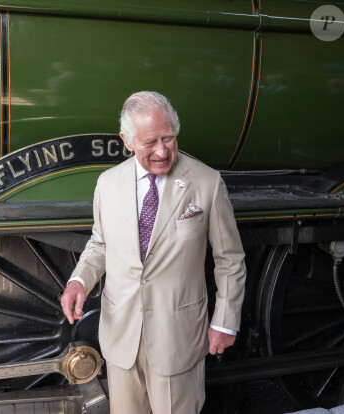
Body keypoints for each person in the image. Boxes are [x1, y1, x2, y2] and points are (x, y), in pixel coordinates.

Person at [60, 91, 246, 414]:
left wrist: (226, 321)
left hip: (178, 339)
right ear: (127, 140)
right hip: (121, 338)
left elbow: (229, 260)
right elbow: (100, 244)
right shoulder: (107, 184)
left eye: (169, 138)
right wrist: (79, 281)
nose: (162, 151)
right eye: (150, 142)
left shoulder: (207, 183)